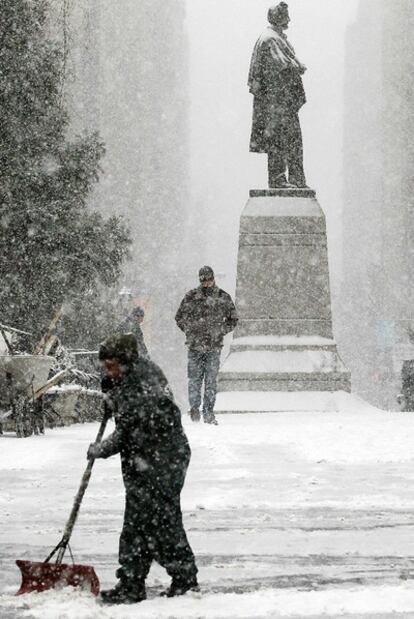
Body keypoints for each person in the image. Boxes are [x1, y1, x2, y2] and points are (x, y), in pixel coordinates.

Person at [87, 333, 198, 605]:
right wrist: (112, 393)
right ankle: (132, 582)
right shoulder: (128, 377)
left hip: (162, 460)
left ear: (124, 362)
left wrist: (100, 449)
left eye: (111, 365)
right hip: (147, 459)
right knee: (138, 523)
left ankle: (183, 578)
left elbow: (129, 430)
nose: (107, 371)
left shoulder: (141, 383)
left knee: (161, 522)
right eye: (104, 367)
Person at [248, 2, 308, 188]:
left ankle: (296, 179)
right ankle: (279, 179)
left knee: (291, 140)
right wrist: (298, 66)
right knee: (281, 140)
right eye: (286, 15)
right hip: (277, 104)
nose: (289, 19)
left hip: (283, 103)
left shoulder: (275, 38)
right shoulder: (270, 39)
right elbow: (282, 66)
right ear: (279, 17)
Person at [175, 266, 238, 425]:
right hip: (195, 346)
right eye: (203, 280)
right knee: (194, 380)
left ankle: (208, 412)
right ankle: (195, 408)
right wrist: (189, 330)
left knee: (211, 381)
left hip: (213, 346)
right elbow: (179, 317)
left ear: (213, 278)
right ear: (200, 279)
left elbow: (233, 319)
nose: (206, 283)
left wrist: (220, 331)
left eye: (209, 279)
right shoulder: (190, 297)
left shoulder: (223, 297)